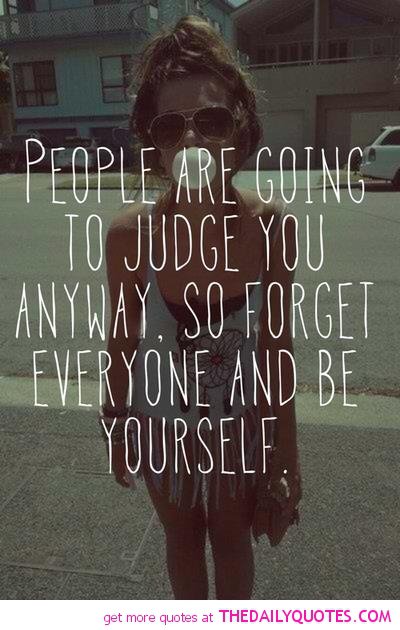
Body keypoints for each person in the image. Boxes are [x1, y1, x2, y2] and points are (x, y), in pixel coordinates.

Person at [100, 15, 300, 600]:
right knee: (182, 537)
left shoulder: (272, 227)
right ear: (154, 144)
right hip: (159, 422)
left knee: (232, 539)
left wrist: (287, 455)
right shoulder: (130, 235)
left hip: (240, 425)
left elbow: (277, 347)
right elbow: (122, 337)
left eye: (210, 121)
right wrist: (115, 421)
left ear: (239, 128)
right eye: (170, 127)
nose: (191, 142)